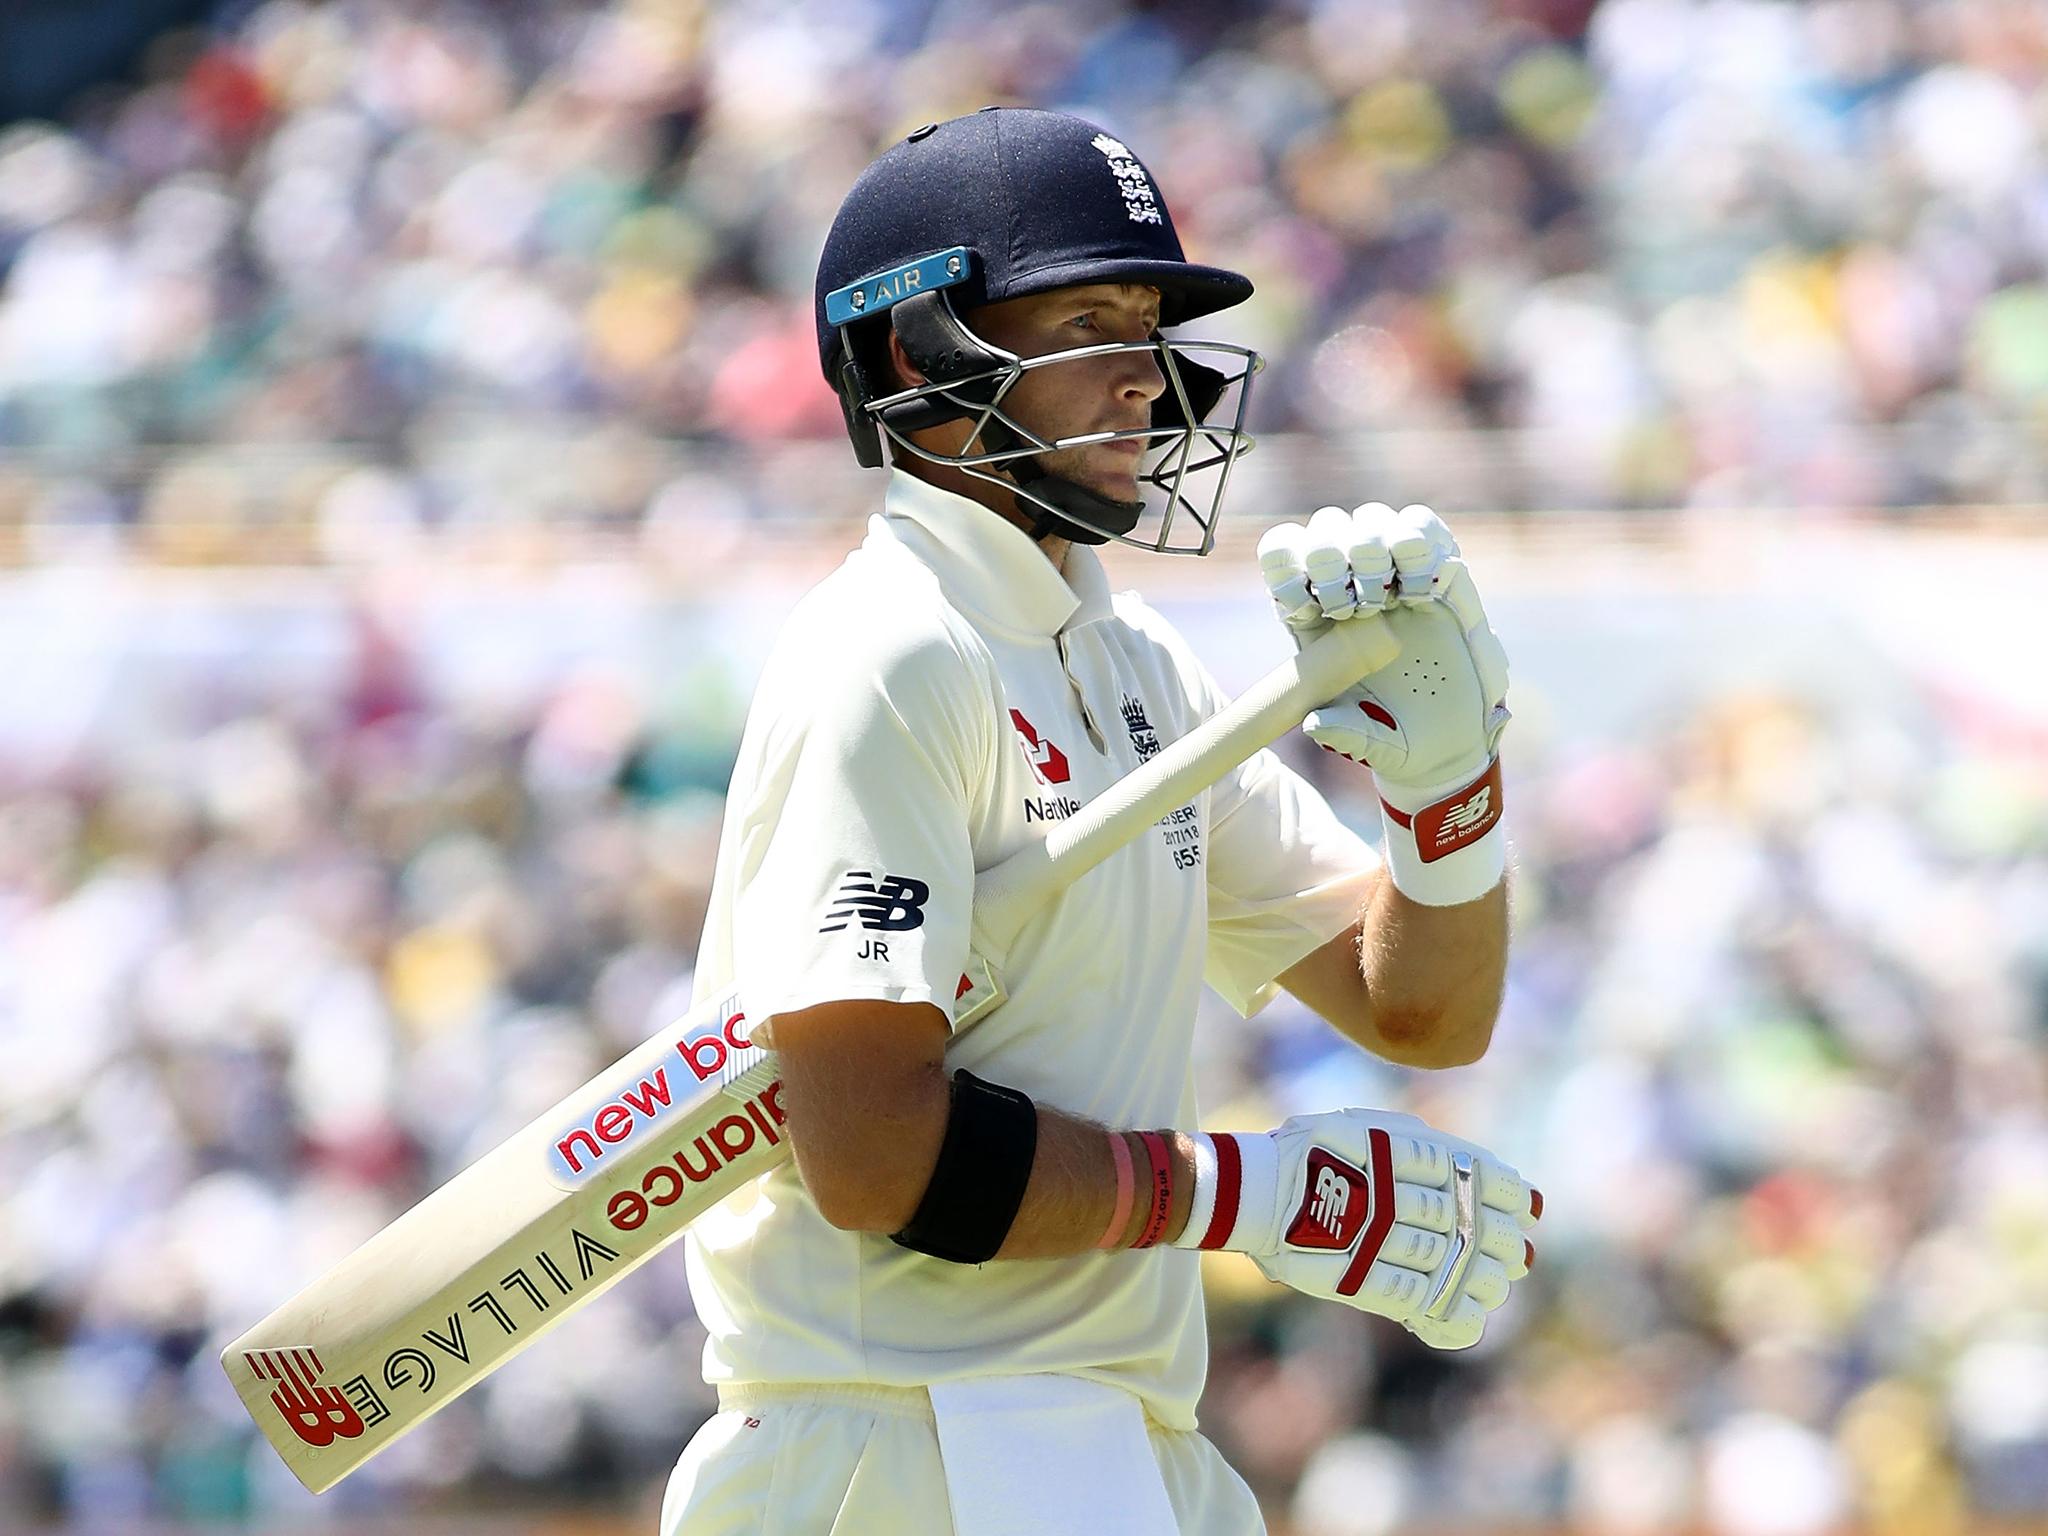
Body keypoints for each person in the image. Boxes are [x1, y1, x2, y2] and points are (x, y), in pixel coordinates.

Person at [663, 108, 1537, 1536]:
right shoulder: (890, 655)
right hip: (894, 1446)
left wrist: (1449, 795)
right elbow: (873, 1156)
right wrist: (1241, 1196)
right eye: (1090, 321)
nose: (1149, 380)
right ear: (917, 354)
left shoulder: (1138, 667)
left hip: (1124, 1440)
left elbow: (1419, 1008)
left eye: (1152, 326)